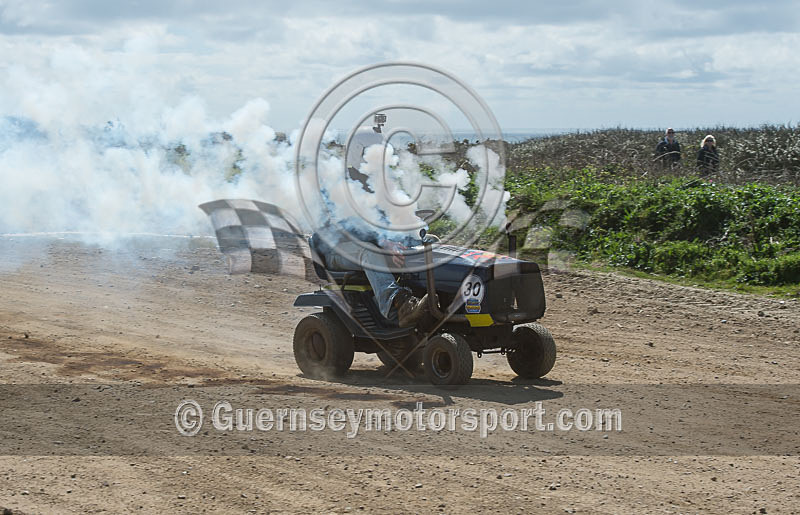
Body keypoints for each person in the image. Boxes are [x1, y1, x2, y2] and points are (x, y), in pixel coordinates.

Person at [312, 218, 429, 328]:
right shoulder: (338, 198)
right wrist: (384, 243)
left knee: (426, 244)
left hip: (369, 240)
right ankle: (397, 304)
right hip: (334, 248)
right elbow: (352, 227)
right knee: (369, 251)